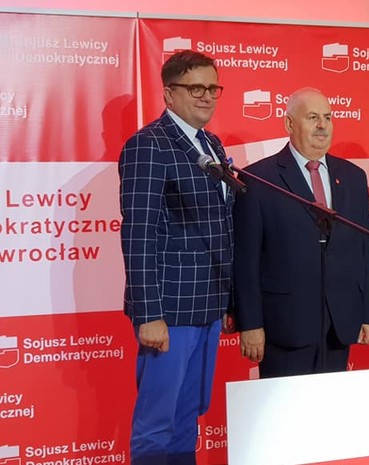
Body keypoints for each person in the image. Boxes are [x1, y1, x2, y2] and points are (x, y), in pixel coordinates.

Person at [118, 50, 234, 465]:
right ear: (169, 93)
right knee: (157, 424)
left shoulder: (211, 144)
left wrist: (229, 301)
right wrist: (149, 313)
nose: (207, 96)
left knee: (188, 416)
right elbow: (139, 232)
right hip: (169, 311)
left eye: (213, 88)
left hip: (209, 304)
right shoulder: (148, 145)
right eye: (195, 88)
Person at [233, 87, 369, 377]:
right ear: (289, 124)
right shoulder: (258, 179)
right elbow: (246, 260)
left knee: (330, 403)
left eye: (327, 117)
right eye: (312, 117)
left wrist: (368, 313)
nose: (322, 125)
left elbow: (364, 251)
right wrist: (250, 323)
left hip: (339, 322)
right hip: (284, 325)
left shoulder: (352, 177)